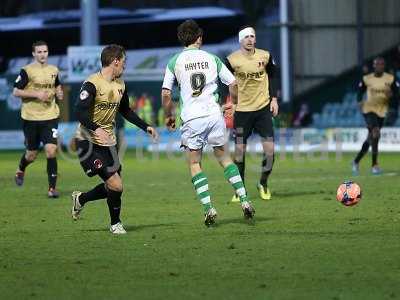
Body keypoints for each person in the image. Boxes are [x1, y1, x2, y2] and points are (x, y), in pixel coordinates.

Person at [161, 19, 255, 226]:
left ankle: (208, 208)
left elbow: (166, 94)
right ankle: (245, 200)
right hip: (214, 115)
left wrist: (169, 115)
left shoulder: (174, 61)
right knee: (225, 159)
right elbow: (233, 83)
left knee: (195, 163)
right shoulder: (212, 58)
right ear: (199, 37)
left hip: (192, 118)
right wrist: (235, 104)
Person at [71, 44, 158, 234]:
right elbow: (79, 111)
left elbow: (125, 110)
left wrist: (146, 126)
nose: (125, 66)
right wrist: (96, 128)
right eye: (124, 62)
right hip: (87, 142)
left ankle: (81, 199)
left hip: (109, 142)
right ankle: (115, 224)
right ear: (115, 61)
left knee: (114, 186)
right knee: (116, 184)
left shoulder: (121, 84)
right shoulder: (92, 83)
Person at [225, 26, 279, 202]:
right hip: (242, 112)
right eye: (246, 37)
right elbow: (224, 81)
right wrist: (230, 103)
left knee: (270, 150)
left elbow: (273, 76)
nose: (249, 39)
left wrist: (274, 99)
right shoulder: (231, 60)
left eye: (252, 36)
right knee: (239, 152)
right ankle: (240, 190)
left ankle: (263, 183)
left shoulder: (265, 56)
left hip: (263, 109)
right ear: (241, 40)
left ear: (255, 39)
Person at [13, 40, 63, 198]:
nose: (42, 54)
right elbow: (16, 91)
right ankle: (21, 169)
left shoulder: (54, 70)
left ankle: (52, 189)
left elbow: (57, 86)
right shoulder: (26, 71)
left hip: (50, 116)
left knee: (51, 150)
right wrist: (37, 94)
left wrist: (59, 92)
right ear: (34, 54)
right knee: (31, 155)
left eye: (45, 52)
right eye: (39, 52)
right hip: (31, 117)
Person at [352, 57, 399, 175]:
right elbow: (359, 91)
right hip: (369, 110)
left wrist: (392, 94)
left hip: (382, 111)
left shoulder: (390, 78)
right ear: (374, 66)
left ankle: (356, 161)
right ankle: (374, 165)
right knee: (376, 132)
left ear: (384, 66)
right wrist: (359, 101)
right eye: (377, 64)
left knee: (371, 138)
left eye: (381, 64)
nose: (379, 66)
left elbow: (397, 93)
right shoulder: (367, 78)